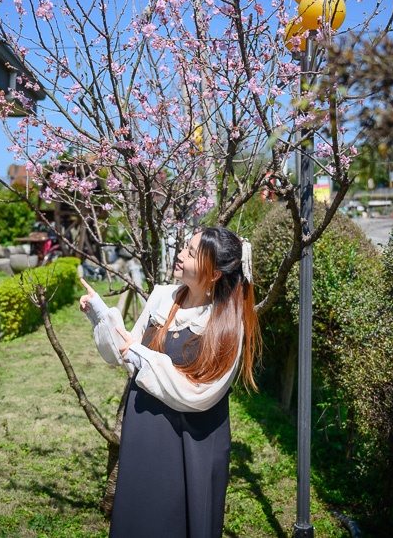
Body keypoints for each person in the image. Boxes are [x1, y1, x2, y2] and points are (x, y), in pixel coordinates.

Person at [79, 226, 261, 538]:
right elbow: (127, 353)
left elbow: (201, 392)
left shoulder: (227, 323)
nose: (180, 255)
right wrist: (101, 316)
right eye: (184, 247)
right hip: (145, 432)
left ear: (214, 273)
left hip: (192, 444)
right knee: (140, 516)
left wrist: (143, 357)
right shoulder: (163, 297)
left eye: (191, 252)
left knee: (180, 521)